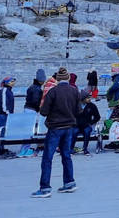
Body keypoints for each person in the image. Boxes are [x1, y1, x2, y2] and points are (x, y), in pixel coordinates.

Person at [33, 67, 80, 198]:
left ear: (58, 79)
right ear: (69, 78)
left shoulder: (53, 91)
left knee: (48, 157)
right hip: (69, 127)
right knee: (66, 155)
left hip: (55, 127)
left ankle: (45, 187)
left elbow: (44, 112)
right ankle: (69, 182)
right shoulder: (74, 91)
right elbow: (79, 110)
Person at [0, 76, 16, 155]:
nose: (13, 83)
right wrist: (7, 112)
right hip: (1, 114)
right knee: (0, 131)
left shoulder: (9, 90)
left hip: (4, 114)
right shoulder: (4, 90)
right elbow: (3, 102)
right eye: (11, 81)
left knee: (2, 131)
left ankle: (0, 148)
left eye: (13, 81)